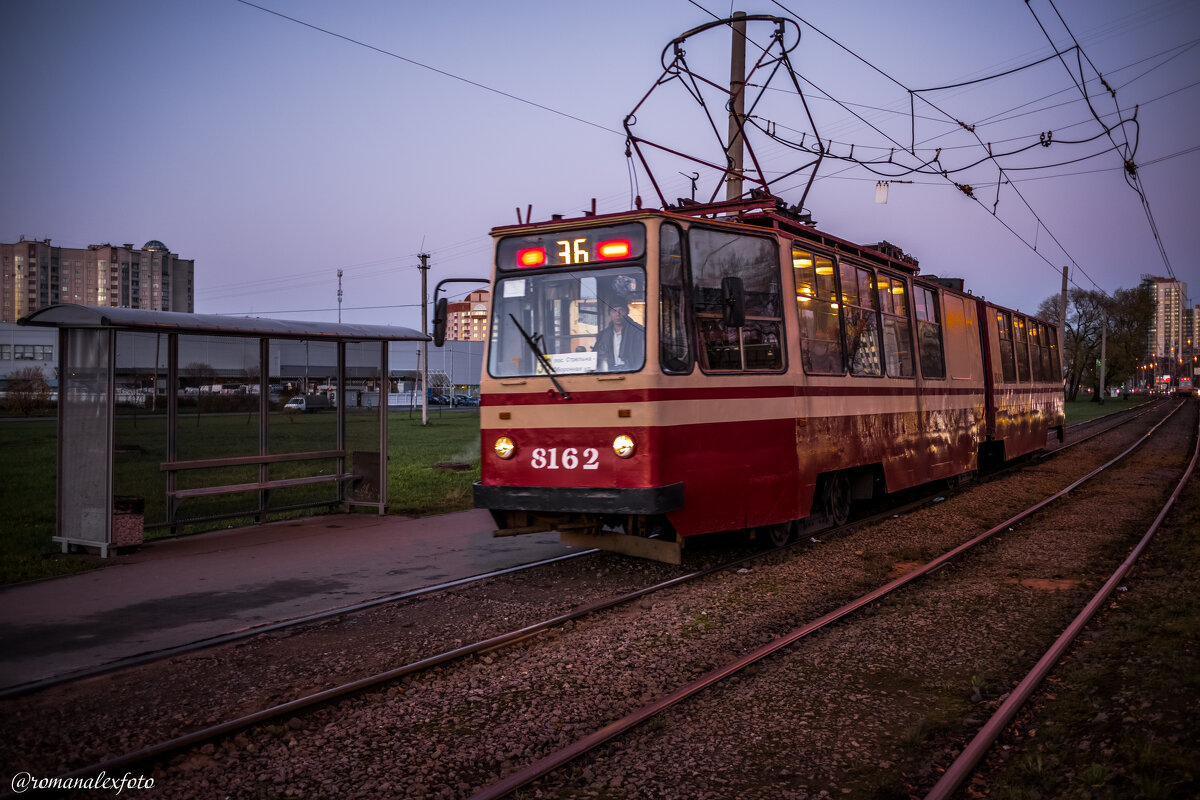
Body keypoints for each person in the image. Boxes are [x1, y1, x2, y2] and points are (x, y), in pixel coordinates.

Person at [592, 302, 645, 371]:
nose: (618, 314)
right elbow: (597, 357)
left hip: (634, 371)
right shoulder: (603, 335)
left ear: (627, 312)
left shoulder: (638, 332)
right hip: (610, 372)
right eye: (614, 311)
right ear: (609, 314)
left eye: (621, 310)